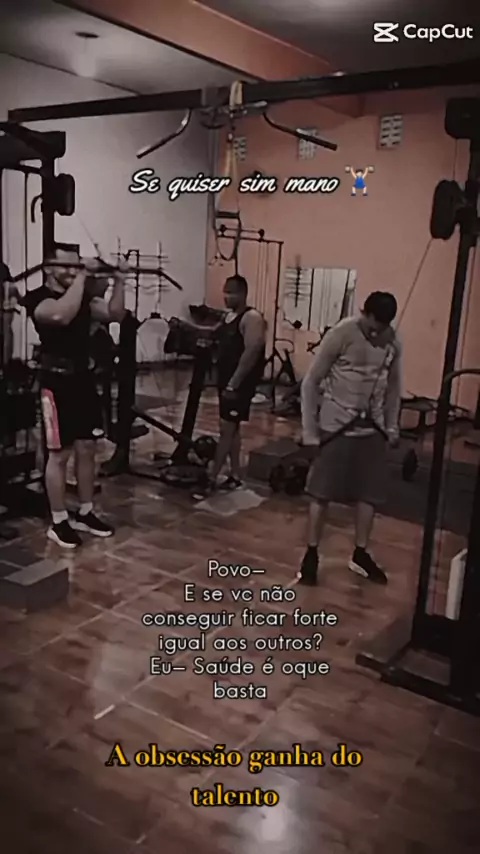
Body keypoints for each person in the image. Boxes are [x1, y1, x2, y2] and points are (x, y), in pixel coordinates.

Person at [22, 243, 127, 548]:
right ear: (48, 268)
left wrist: (120, 281)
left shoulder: (83, 298)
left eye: (76, 265)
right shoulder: (38, 298)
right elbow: (60, 316)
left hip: (83, 381)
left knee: (87, 448)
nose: (72, 271)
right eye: (67, 266)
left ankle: (85, 511)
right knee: (59, 454)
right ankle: (58, 521)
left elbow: (115, 314)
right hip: (55, 384)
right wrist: (83, 276)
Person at [299, 291, 402, 586]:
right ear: (364, 313)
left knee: (369, 496)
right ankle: (311, 554)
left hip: (373, 430)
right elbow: (310, 383)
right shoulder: (341, 334)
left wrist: (392, 425)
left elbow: (394, 388)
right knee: (321, 493)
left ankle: (360, 554)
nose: (376, 334)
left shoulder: (393, 340)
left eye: (382, 328)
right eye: (372, 326)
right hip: (336, 428)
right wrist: (310, 431)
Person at [193, 274, 266, 499]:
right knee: (232, 429)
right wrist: (185, 327)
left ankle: (212, 478)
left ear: (243, 294)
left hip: (238, 384)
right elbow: (212, 333)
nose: (226, 296)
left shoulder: (251, 318)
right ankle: (235, 475)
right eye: (225, 292)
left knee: (226, 430)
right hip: (226, 382)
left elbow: (252, 351)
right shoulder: (228, 317)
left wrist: (234, 383)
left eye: (231, 293)